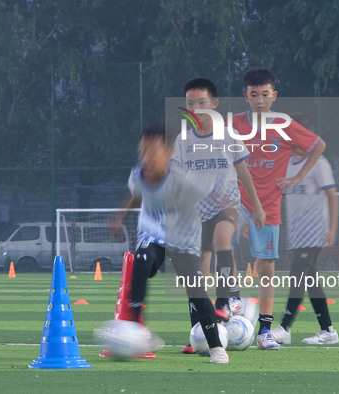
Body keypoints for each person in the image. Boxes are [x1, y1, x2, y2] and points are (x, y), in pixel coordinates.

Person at [231, 68, 326, 350]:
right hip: (236, 200)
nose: (259, 100)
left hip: (268, 206)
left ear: (274, 96)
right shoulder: (234, 123)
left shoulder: (285, 125)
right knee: (222, 245)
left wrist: (298, 177)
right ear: (245, 96)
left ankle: (264, 332)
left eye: (264, 94)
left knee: (266, 269)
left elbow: (319, 145)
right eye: (253, 94)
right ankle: (232, 300)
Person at [123, 122, 230, 363]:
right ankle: (136, 333)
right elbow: (135, 194)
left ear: (169, 154)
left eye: (153, 152)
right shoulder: (137, 176)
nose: (146, 158)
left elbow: (211, 191)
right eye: (143, 151)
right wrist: (120, 214)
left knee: (197, 293)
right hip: (152, 236)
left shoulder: (184, 179)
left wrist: (222, 200)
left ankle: (216, 348)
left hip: (183, 241)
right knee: (140, 262)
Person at [172, 77, 265, 354]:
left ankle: (226, 300)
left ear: (214, 104)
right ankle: (197, 331)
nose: (197, 108)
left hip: (226, 206)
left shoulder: (228, 135)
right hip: (193, 212)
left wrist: (257, 206)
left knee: (223, 239)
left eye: (202, 103)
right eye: (191, 104)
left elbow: (244, 172)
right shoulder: (183, 140)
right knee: (197, 270)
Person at [270, 114, 339, 345]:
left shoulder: (320, 163)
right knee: (311, 282)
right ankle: (328, 330)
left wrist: (332, 229)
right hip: (296, 235)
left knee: (297, 276)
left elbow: (332, 196)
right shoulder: (286, 164)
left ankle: (284, 328)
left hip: (315, 233)